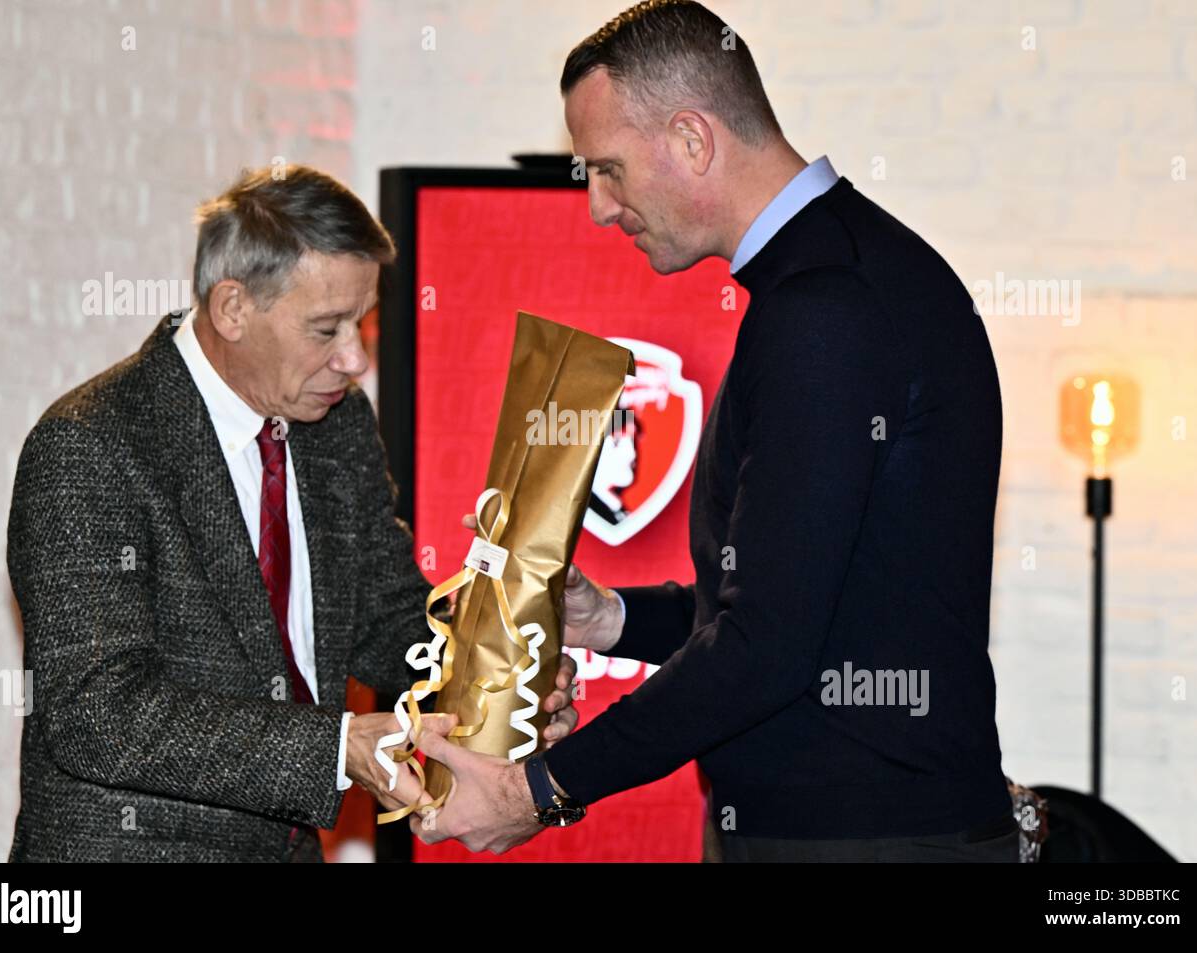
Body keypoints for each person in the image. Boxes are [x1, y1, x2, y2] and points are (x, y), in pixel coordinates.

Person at [412, 0, 1016, 862]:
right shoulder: (841, 274)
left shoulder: (824, 309)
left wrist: (534, 788)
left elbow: (767, 647)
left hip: (860, 841)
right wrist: (613, 618)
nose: (598, 206)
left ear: (693, 140)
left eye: (609, 169)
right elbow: (822, 604)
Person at [5, 165, 578, 862]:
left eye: (362, 322)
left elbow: (386, 618)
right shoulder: (90, 443)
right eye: (326, 328)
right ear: (233, 308)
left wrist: (504, 672)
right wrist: (335, 747)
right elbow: (98, 711)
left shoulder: (335, 424)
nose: (355, 358)